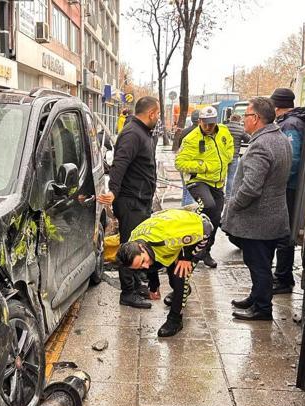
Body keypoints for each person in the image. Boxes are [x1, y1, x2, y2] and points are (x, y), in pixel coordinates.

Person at [222, 97, 292, 321]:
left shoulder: (261, 145)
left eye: (246, 116)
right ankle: (256, 296)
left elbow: (251, 188)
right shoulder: (280, 137)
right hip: (273, 216)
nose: (244, 120)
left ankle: (262, 308)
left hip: (258, 220)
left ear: (256, 118)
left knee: (258, 265)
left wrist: (232, 205)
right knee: (263, 262)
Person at [99, 96, 161, 308]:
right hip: (130, 201)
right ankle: (127, 293)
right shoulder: (133, 133)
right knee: (129, 247)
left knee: (139, 244)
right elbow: (120, 163)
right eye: (158, 114)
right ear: (151, 113)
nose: (158, 118)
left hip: (141, 199)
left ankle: (136, 284)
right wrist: (113, 192)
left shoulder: (142, 132)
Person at [116, 209, 212, 337]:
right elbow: (149, 266)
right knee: (165, 272)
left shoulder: (168, 237)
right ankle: (183, 291)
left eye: (143, 261)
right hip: (170, 243)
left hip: (197, 231)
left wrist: (188, 258)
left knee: (179, 276)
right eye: (139, 265)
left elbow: (207, 229)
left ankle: (175, 320)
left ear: (141, 247)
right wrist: (154, 285)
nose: (144, 265)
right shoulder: (133, 241)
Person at [175, 106, 234, 268]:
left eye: (211, 123)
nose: (208, 127)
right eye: (205, 123)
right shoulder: (191, 138)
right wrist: (203, 165)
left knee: (215, 218)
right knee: (208, 206)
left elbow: (230, 148)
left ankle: (205, 251)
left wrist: (227, 157)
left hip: (218, 182)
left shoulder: (223, 131)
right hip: (198, 181)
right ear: (199, 121)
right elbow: (180, 162)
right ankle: (189, 247)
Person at [270, 88, 305, 295]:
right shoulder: (291, 121)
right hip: (290, 186)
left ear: (277, 106)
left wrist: (279, 182)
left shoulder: (290, 124)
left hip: (289, 187)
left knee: (284, 232)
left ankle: (283, 278)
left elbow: (292, 159)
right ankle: (283, 275)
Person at [225, 113, 251, 197]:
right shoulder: (241, 129)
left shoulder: (225, 128)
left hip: (223, 156)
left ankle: (219, 194)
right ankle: (228, 196)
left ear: (230, 119)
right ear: (239, 120)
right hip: (234, 156)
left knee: (220, 176)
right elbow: (248, 140)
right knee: (231, 177)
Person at [179, 110, 202, 206]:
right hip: (195, 165)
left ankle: (183, 212)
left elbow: (179, 146)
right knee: (191, 192)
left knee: (186, 190)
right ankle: (188, 214)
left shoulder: (184, 131)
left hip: (184, 164)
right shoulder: (202, 132)